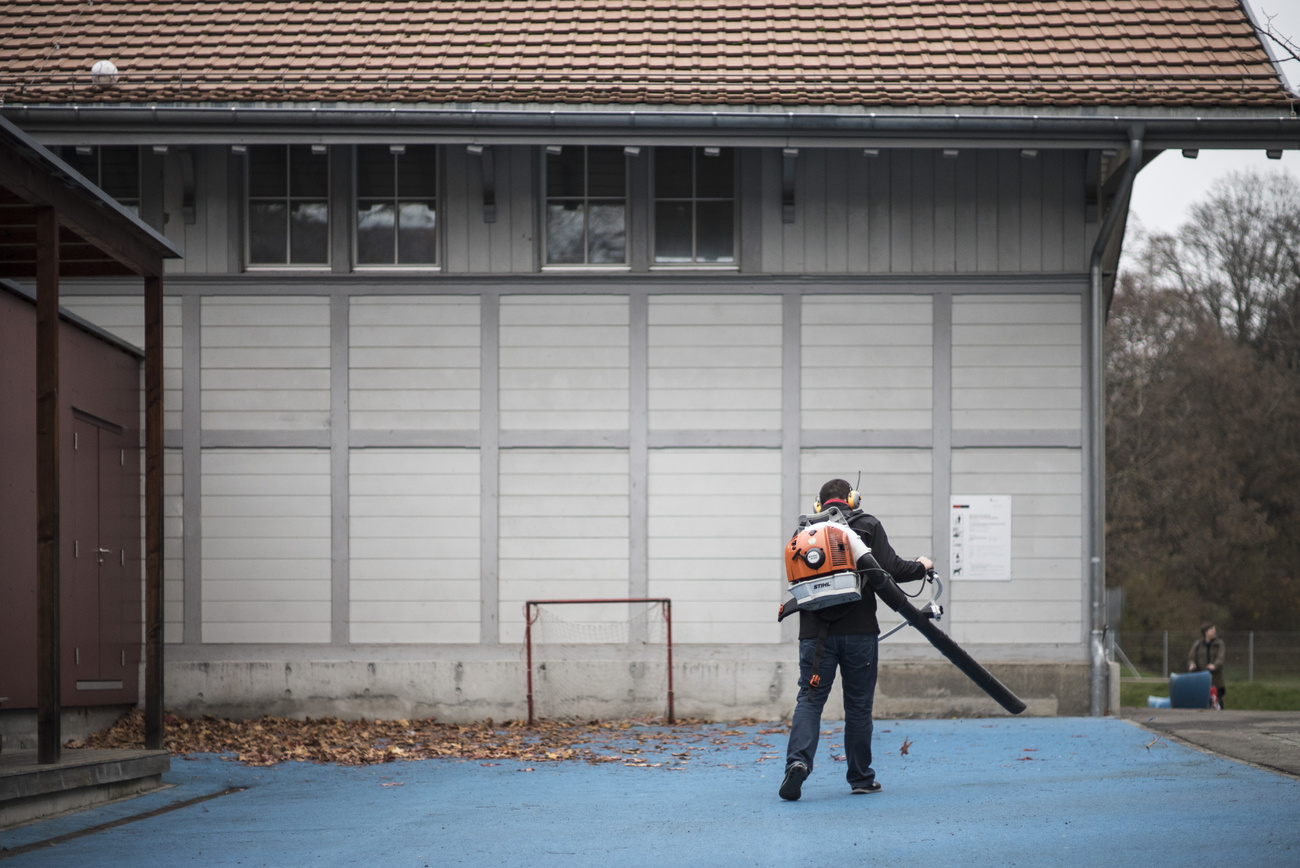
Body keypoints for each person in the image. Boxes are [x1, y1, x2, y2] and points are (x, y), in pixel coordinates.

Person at [779, 478, 933, 801]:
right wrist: (922, 566)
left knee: (809, 701)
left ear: (818, 505)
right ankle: (861, 778)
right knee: (859, 708)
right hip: (860, 634)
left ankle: (797, 763)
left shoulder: (803, 534)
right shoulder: (867, 526)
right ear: (853, 498)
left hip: (815, 638)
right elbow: (891, 570)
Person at [1187, 622, 1227, 709]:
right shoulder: (1198, 645)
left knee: (1218, 701)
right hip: (1202, 680)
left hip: (1216, 679)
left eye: (1214, 629)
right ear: (1205, 632)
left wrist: (1214, 666)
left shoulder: (1219, 644)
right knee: (1203, 703)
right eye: (1211, 629)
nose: (1214, 631)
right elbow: (1191, 658)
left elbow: (1221, 658)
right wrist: (1192, 664)